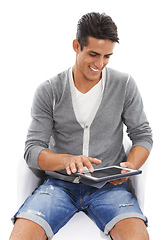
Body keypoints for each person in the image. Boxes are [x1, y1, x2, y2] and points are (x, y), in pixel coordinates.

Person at [10, 12, 153, 240]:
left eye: (107, 56)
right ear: (77, 46)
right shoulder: (49, 91)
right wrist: (66, 160)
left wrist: (129, 166)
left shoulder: (124, 85)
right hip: (59, 187)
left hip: (109, 188)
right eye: (93, 54)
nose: (100, 64)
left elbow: (143, 135)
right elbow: (32, 150)